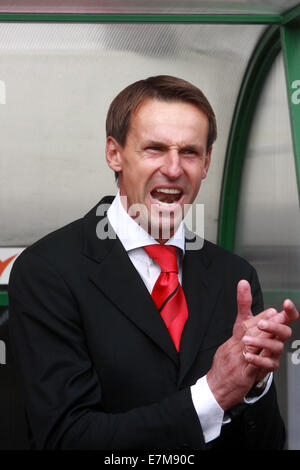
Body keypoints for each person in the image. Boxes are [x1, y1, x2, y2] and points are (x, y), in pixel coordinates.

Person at [8, 75, 298, 450]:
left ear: (207, 162)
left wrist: (255, 383)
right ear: (114, 153)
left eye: (190, 152)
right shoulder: (47, 271)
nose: (174, 169)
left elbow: (267, 444)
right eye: (155, 149)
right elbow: (66, 438)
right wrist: (212, 393)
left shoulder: (235, 277)